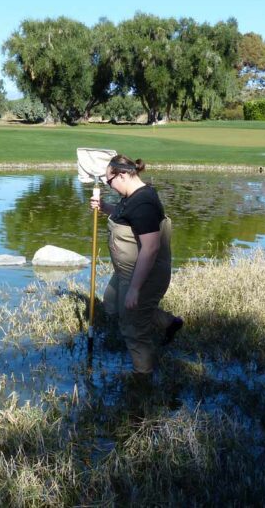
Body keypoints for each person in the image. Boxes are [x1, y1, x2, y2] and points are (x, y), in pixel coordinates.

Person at [90, 155, 183, 376]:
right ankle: (170, 323)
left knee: (133, 329)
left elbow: (150, 249)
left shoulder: (144, 202)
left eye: (109, 181)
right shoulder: (132, 197)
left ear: (122, 174)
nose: (109, 185)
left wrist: (135, 289)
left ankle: (143, 379)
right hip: (125, 272)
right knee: (112, 304)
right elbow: (126, 216)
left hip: (143, 274)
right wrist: (105, 207)